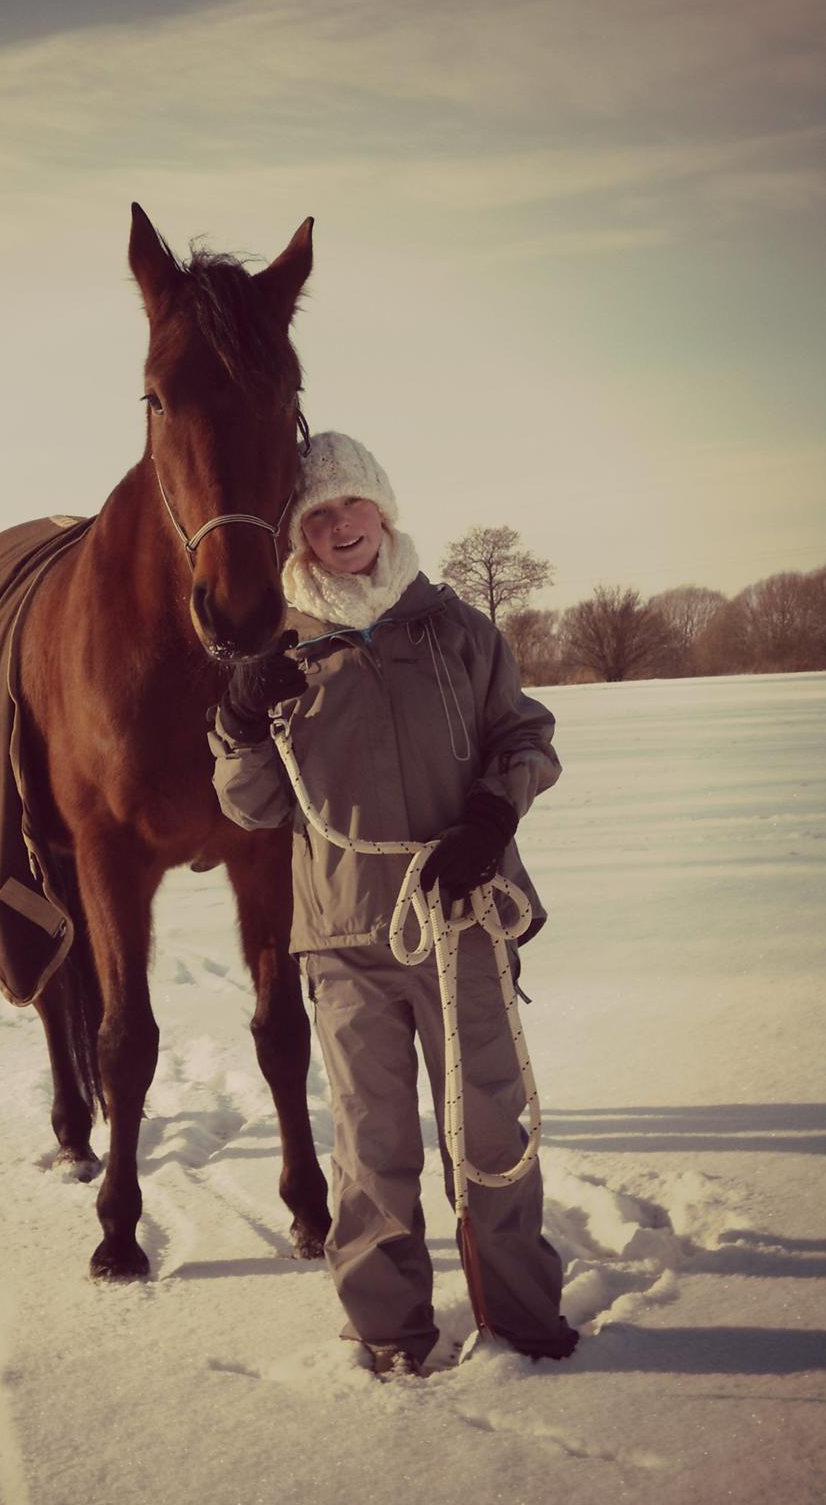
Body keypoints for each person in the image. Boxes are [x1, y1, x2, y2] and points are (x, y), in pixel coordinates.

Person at [208, 431, 578, 1379]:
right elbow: (253, 806)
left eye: (352, 504)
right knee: (371, 1145)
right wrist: (239, 723)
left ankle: (523, 1317)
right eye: (317, 515)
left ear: (383, 507)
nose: (340, 526)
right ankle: (387, 1332)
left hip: (465, 918)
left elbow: (526, 737)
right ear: (298, 535)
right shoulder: (282, 651)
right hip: (343, 941)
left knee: (487, 1128)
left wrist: (491, 818)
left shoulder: (457, 629)